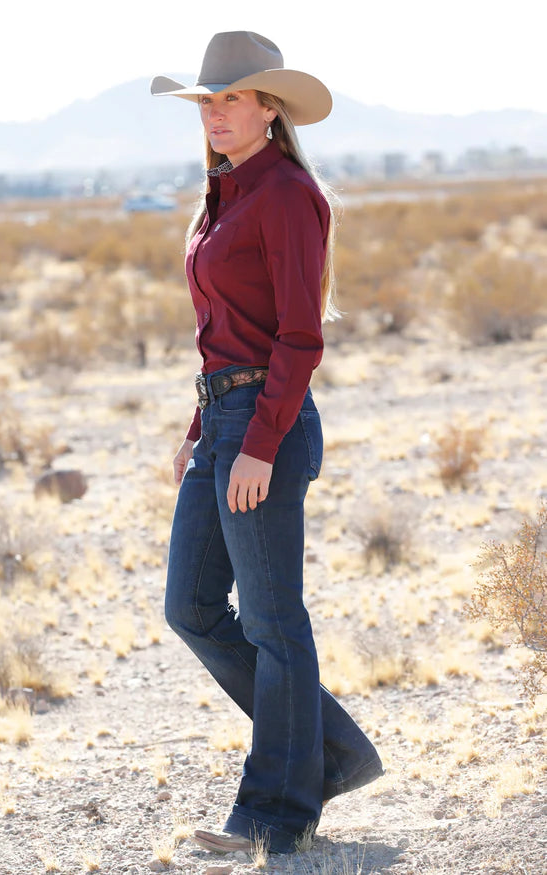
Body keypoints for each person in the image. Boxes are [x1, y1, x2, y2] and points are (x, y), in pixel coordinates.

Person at [151, 31, 384, 856]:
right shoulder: (221, 192)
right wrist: (199, 431)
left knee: (274, 621)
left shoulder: (285, 193)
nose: (216, 113)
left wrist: (258, 442)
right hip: (221, 422)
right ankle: (332, 751)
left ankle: (277, 812)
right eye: (208, 101)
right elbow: (220, 332)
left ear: (270, 108)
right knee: (190, 606)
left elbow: (298, 334)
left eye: (233, 99)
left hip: (267, 428)